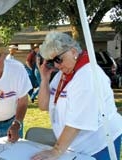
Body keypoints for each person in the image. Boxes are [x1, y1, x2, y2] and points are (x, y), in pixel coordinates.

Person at [31, 31, 122, 160]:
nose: (56, 65)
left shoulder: (87, 75)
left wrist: (56, 151)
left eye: (58, 59)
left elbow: (77, 123)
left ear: (73, 52)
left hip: (99, 144)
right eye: (52, 61)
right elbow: (43, 105)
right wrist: (44, 79)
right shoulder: (63, 74)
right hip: (75, 145)